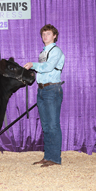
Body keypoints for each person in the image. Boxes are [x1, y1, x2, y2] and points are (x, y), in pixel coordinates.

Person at [24, 24, 65, 167]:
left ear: (54, 36)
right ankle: (48, 156)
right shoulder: (43, 52)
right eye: (43, 34)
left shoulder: (56, 51)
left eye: (48, 33)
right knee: (46, 125)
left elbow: (48, 67)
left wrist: (32, 65)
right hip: (41, 90)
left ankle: (55, 158)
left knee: (53, 125)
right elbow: (42, 70)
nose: (45, 36)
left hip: (52, 90)